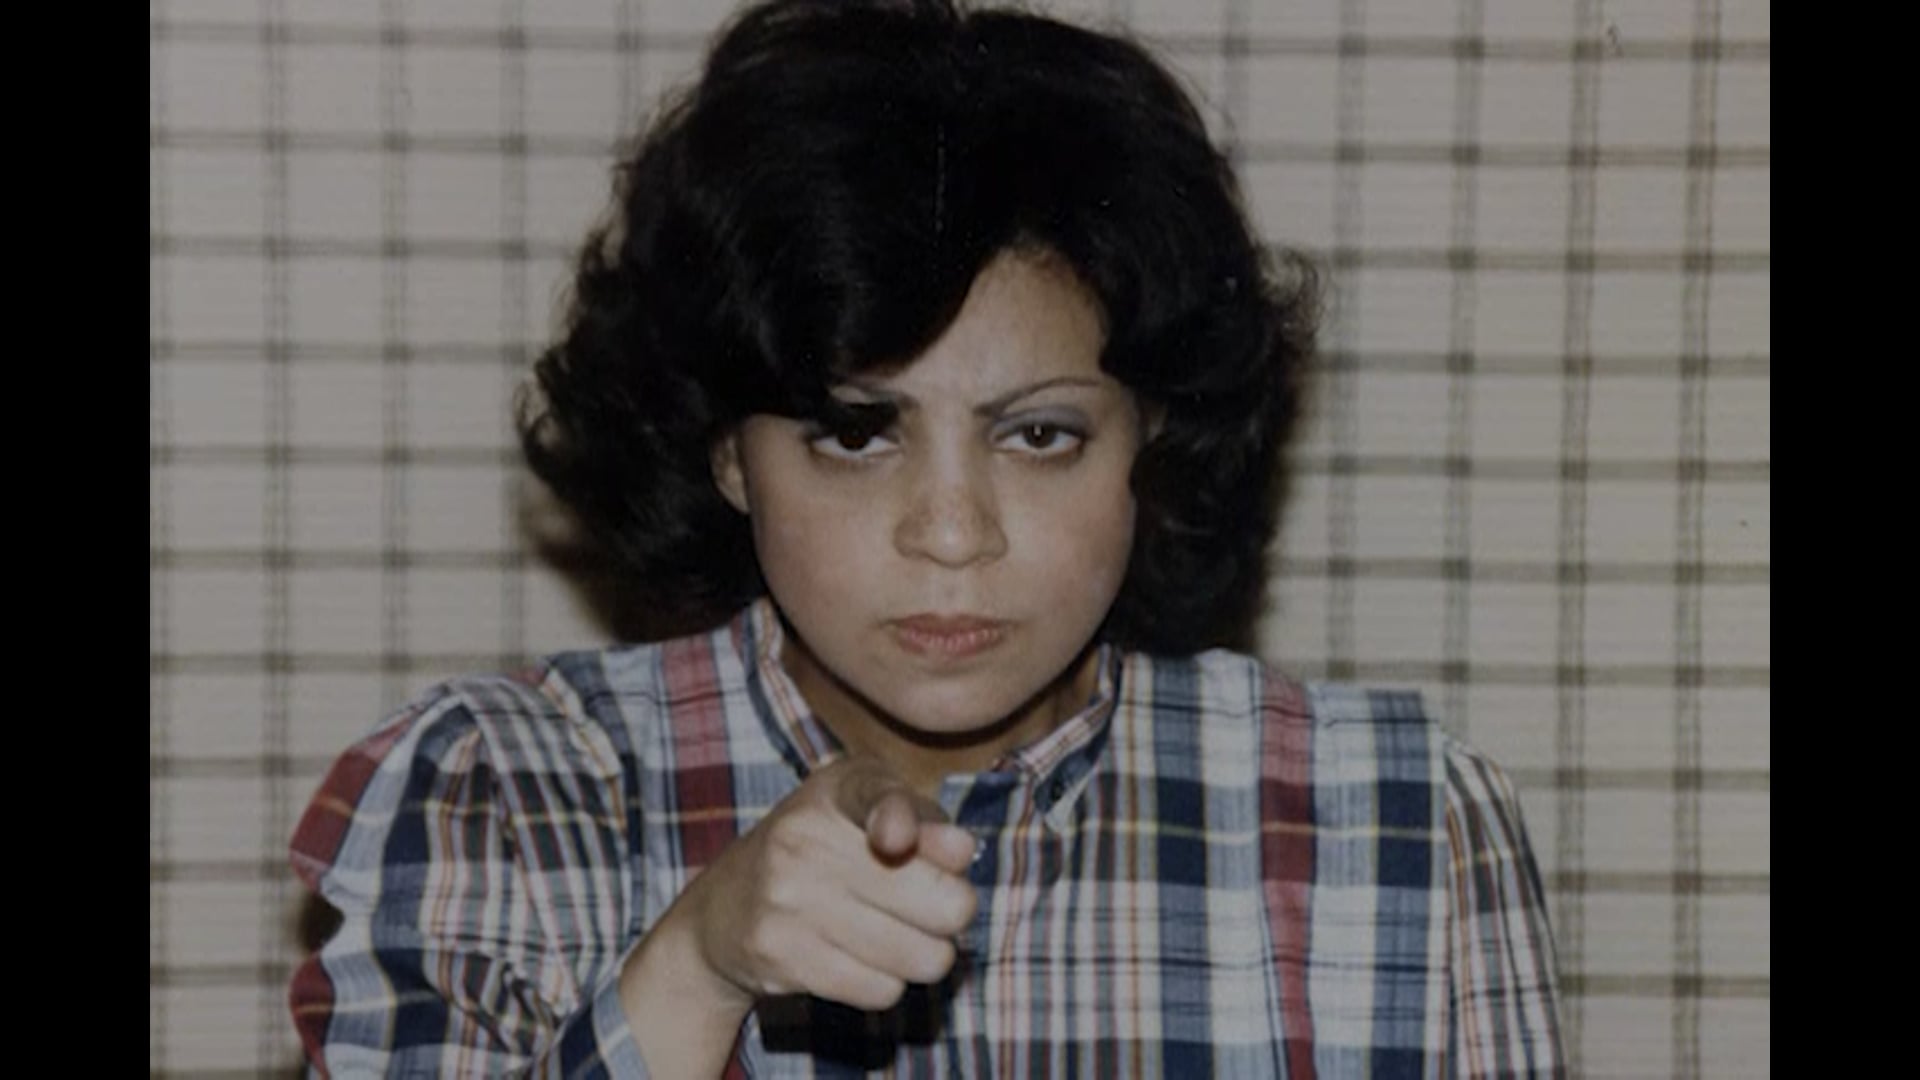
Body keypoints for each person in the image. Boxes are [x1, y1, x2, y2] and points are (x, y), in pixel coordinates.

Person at [288, 0, 1565, 1075]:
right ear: (728, 452)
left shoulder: (1400, 824)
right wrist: (694, 968)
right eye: (856, 434)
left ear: (1153, 439)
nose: (952, 533)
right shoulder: (505, 798)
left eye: (1040, 435)